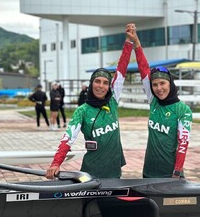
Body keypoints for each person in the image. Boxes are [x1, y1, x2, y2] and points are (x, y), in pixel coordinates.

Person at [46, 26, 134, 179]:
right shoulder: (82, 111)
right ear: (91, 83)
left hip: (114, 171)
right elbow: (68, 139)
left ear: (109, 87)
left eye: (105, 83)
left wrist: (129, 41)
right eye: (97, 81)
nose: (101, 86)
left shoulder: (113, 101)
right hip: (91, 172)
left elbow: (122, 68)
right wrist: (56, 163)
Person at [126, 24, 192, 178]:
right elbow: (143, 68)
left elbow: (183, 144)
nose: (159, 88)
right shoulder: (154, 101)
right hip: (148, 171)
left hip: (170, 174)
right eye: (155, 85)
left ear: (170, 83)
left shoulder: (182, 110)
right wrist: (136, 43)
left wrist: (177, 170)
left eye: (162, 83)